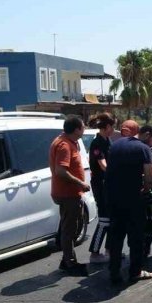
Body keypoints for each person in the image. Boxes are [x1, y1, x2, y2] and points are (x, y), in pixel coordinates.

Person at [105, 121, 152, 284]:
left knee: (116, 236)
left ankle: (114, 272)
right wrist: (146, 190)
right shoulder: (143, 149)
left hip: (113, 196)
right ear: (146, 135)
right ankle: (135, 271)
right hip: (133, 198)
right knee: (136, 237)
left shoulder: (116, 145)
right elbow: (149, 178)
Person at [48, 115, 91, 276]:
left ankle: (68, 258)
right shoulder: (64, 145)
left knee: (73, 226)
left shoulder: (67, 142)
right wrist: (80, 183)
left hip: (69, 193)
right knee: (69, 228)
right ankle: (69, 263)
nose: (85, 128)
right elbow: (61, 171)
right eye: (83, 126)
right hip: (67, 193)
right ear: (77, 129)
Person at [88, 112, 116, 264]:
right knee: (104, 219)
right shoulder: (97, 143)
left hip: (109, 183)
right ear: (107, 126)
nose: (114, 129)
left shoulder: (108, 140)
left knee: (111, 219)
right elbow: (103, 165)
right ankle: (94, 252)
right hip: (101, 184)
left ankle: (110, 251)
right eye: (113, 126)